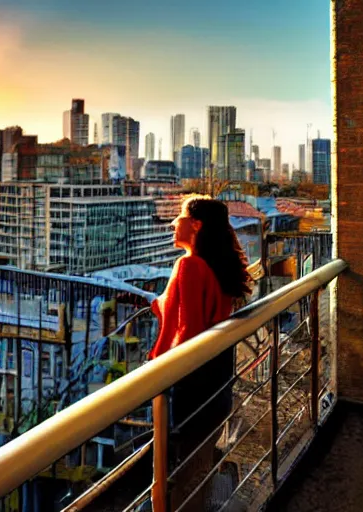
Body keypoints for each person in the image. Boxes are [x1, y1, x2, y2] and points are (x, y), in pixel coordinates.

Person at [149, 195, 252, 510]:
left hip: (192, 383)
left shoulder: (190, 265)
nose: (172, 222)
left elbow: (188, 331)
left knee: (181, 473)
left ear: (196, 225)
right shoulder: (218, 268)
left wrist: (159, 372)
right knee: (198, 467)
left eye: (179, 216)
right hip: (217, 379)